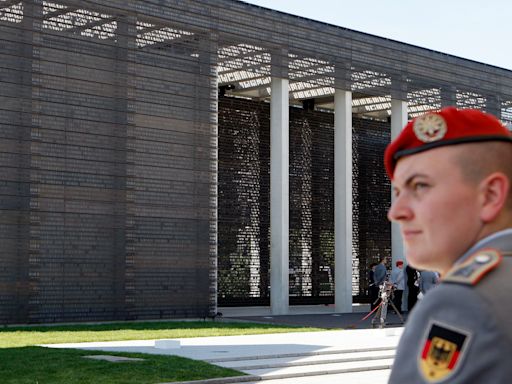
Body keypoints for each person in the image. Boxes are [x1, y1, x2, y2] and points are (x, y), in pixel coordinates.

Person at [385, 107, 512, 383]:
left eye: (419, 186)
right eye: (397, 192)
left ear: (490, 195)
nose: (396, 212)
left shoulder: (464, 301)